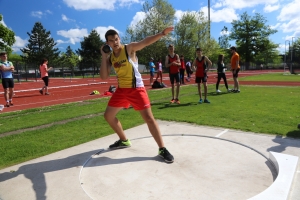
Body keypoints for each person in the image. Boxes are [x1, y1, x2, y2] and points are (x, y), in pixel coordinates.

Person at [99, 27, 174, 163]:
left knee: (149, 119)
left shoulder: (129, 49)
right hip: (122, 90)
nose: (115, 42)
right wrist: (104, 57)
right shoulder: (110, 58)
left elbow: (145, 42)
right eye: (111, 41)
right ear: (107, 43)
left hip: (136, 89)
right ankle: (124, 140)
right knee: (108, 116)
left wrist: (162, 34)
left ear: (119, 38)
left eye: (116, 39)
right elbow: (104, 76)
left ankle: (162, 149)